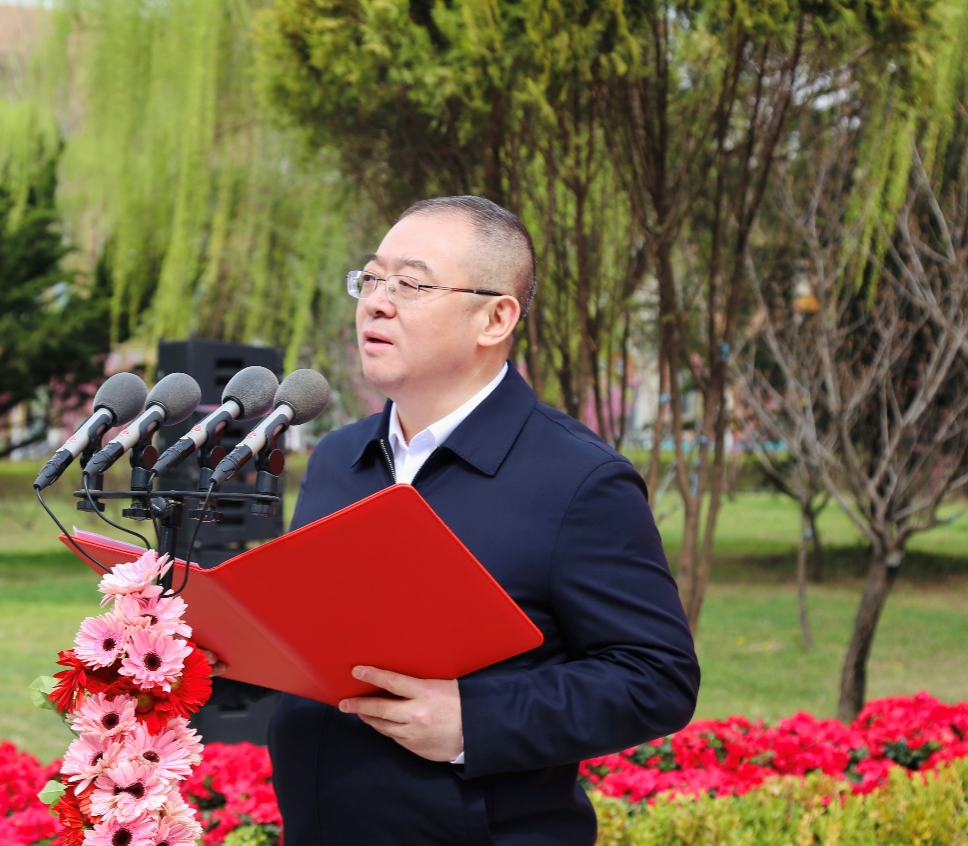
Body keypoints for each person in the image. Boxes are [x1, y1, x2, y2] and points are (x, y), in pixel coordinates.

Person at [217, 196, 699, 845]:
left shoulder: (579, 480)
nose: (377, 303)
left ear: (495, 318)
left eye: (410, 284)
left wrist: (477, 721)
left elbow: (656, 677)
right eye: (371, 278)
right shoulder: (337, 458)